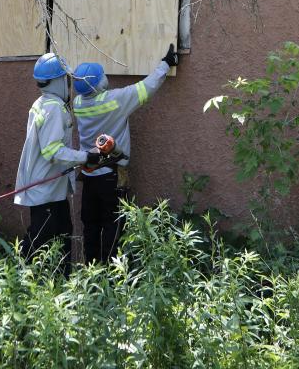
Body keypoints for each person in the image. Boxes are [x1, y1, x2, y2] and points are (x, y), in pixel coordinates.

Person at [71, 43, 178, 263]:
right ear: (98, 84)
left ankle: (91, 270)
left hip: (89, 176)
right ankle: (110, 275)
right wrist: (165, 64)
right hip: (110, 177)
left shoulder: (78, 102)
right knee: (113, 226)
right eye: (102, 76)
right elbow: (147, 87)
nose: (105, 78)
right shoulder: (114, 100)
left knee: (90, 225)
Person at [14, 52, 99, 268]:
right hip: (46, 191)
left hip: (49, 190)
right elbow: (53, 151)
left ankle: (60, 281)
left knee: (61, 234)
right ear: (59, 80)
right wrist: (85, 157)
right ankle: (19, 279)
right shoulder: (53, 108)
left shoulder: (42, 103)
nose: (69, 84)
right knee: (41, 240)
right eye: (66, 79)